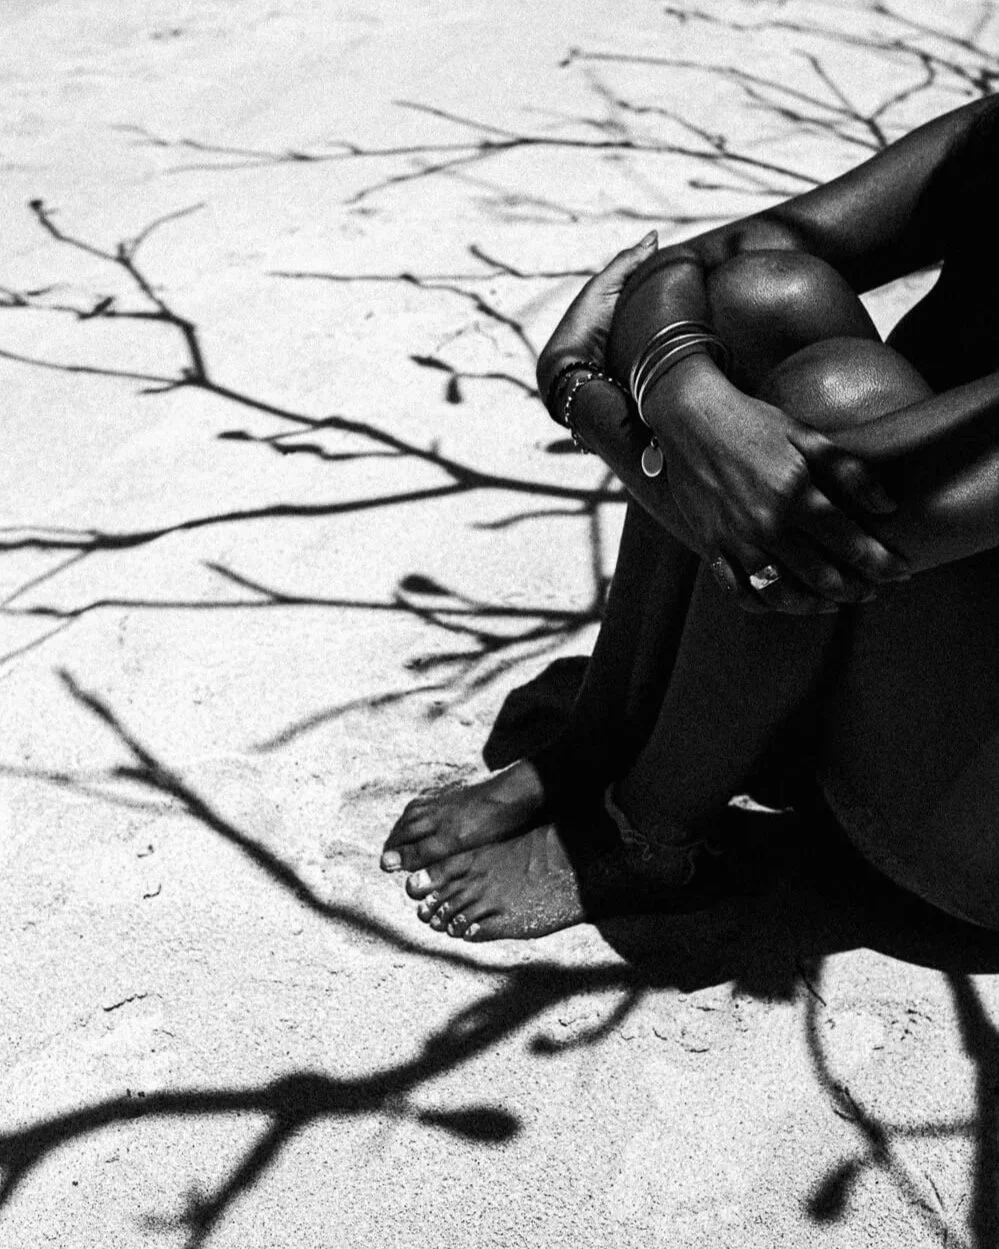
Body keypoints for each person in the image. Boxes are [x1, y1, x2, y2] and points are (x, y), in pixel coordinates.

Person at [380, 93, 999, 941]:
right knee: (760, 298)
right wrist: (682, 386)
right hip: (930, 654)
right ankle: (599, 743)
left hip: (978, 832)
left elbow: (812, 522)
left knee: (833, 398)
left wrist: (588, 398)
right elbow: (687, 277)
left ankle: (652, 833)